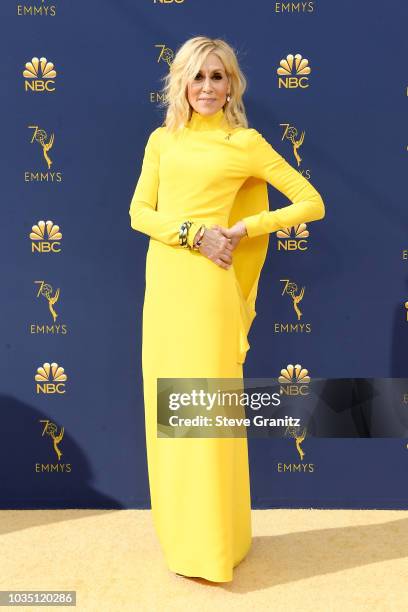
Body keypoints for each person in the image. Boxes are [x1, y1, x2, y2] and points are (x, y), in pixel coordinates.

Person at [128, 35, 325, 583]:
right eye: (198, 76)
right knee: (168, 411)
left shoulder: (246, 142)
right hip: (167, 285)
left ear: (232, 84)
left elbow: (311, 201)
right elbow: (140, 213)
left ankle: (218, 546)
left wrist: (243, 228)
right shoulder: (162, 142)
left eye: (219, 77)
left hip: (210, 294)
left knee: (204, 414)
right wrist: (193, 233)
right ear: (181, 83)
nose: (208, 87)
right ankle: (189, 539)